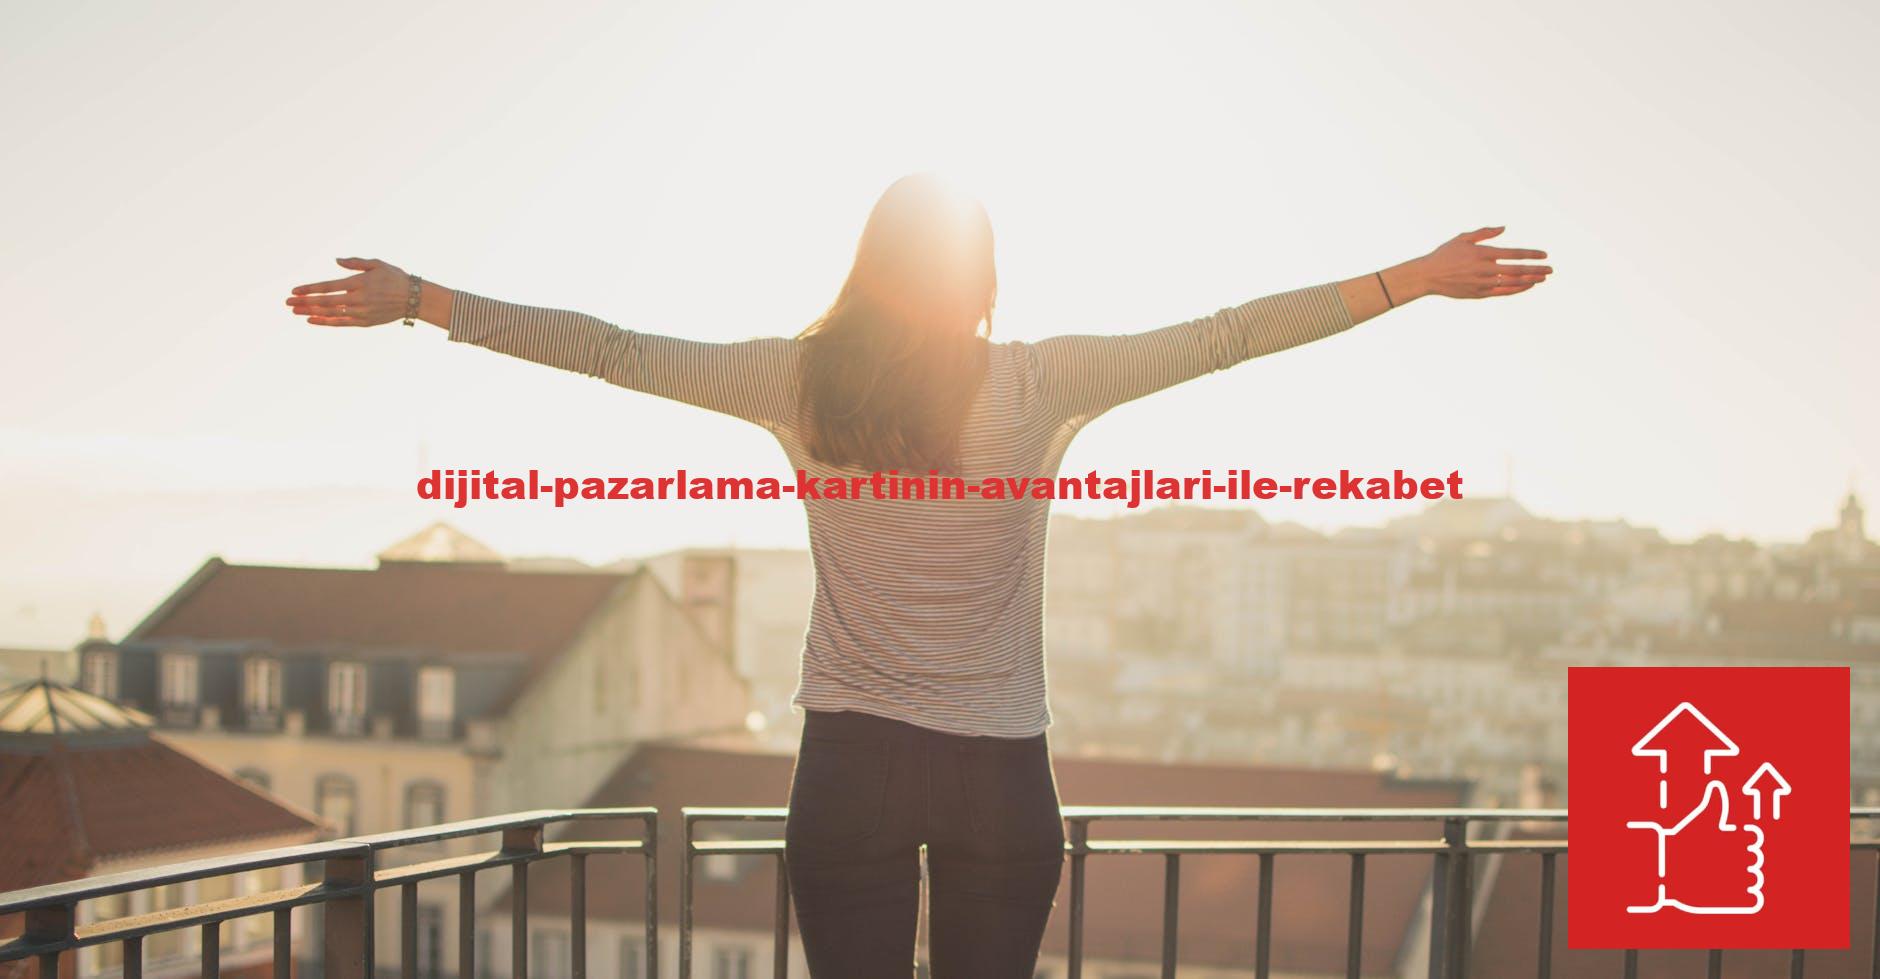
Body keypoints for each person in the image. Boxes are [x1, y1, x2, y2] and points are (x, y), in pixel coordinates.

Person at [286, 172, 1550, 978]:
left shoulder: (796, 380)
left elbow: (613, 351)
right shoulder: (1038, 382)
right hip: (1001, 769)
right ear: (983, 279)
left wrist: (423, 300)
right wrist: (1409, 282)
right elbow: (1223, 338)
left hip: (849, 764)